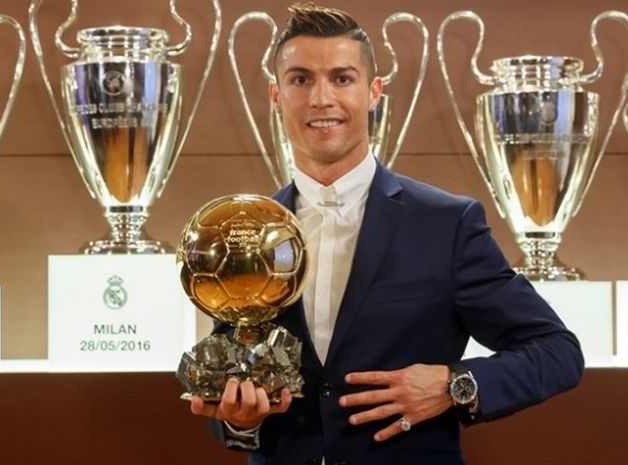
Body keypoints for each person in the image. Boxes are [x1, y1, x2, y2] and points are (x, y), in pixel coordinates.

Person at [189, 3, 584, 464]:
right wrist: (240, 419)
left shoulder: (447, 224)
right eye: (300, 79)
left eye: (342, 78)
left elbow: (558, 352)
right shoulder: (245, 231)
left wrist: (454, 384)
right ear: (276, 96)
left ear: (373, 92)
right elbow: (232, 387)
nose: (321, 99)